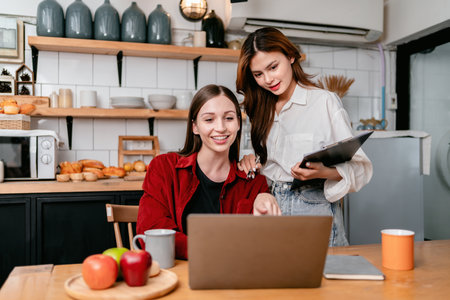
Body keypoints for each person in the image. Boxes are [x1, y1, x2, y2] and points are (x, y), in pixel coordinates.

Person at [236, 27, 373, 246]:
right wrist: (249, 160)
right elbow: (266, 161)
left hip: (313, 206)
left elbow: (361, 170)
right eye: (258, 74)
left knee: (323, 277)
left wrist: (323, 172)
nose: (268, 79)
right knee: (275, 277)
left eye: (273, 67)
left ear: (290, 56)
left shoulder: (323, 102)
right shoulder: (259, 109)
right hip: (270, 206)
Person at [136, 84, 281, 259]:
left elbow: (261, 247)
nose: (220, 128)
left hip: (231, 279)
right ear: (195, 127)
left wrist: (266, 197)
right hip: (175, 276)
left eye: (228, 118)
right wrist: (209, 251)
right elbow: (152, 232)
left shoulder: (253, 182)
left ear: (238, 125)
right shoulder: (164, 168)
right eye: (209, 119)